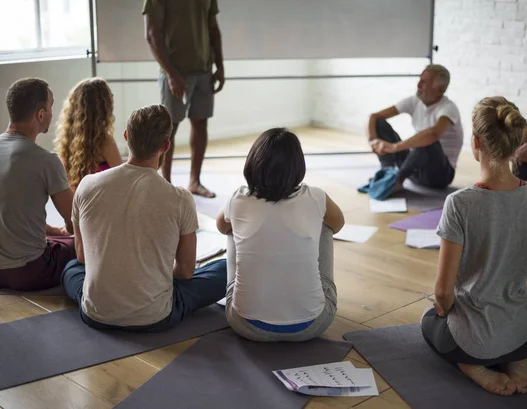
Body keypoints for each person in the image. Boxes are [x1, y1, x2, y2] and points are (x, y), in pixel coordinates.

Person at [421, 97, 527, 396]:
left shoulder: (459, 203)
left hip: (473, 344)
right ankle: (516, 360)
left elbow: (442, 293)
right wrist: (526, 300)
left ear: (476, 143)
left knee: (429, 321)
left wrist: (445, 311)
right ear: (516, 143)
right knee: (506, 333)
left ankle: (473, 367)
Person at [61, 105, 227, 331]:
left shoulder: (88, 185)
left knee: (71, 268)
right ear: (166, 145)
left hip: (95, 313)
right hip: (155, 316)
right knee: (226, 269)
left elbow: (82, 257)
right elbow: (186, 272)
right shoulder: (180, 198)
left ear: (127, 136)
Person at [217, 128, 345, 342]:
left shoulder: (237, 199)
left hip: (244, 324)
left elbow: (221, 227)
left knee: (231, 227)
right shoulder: (316, 197)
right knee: (325, 225)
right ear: (297, 167)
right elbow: (338, 224)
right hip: (312, 325)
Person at [143, 0, 224, 198]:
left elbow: (213, 28)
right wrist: (171, 75)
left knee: (200, 123)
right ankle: (165, 184)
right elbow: (152, 34)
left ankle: (194, 182)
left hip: (203, 70)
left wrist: (220, 65)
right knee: (168, 128)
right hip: (175, 72)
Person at [0, 78, 76, 291]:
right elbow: (74, 220)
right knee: (84, 246)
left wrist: (52, 230)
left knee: (58, 239)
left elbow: (9, 213)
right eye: (51, 106)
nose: (52, 112)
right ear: (40, 114)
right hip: (29, 271)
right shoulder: (46, 160)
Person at [368, 64, 463, 190]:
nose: (418, 85)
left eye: (425, 82)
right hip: (414, 168)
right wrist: (373, 140)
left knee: (428, 141)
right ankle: (387, 172)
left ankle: (397, 181)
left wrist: (395, 147)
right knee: (380, 123)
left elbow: (433, 134)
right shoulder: (414, 101)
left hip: (438, 176)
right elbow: (374, 117)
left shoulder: (449, 108)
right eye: (420, 80)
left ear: (441, 89)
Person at [54, 78, 122, 189]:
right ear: (103, 107)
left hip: (80, 203)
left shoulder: (67, 141)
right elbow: (124, 179)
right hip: (103, 202)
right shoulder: (104, 141)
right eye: (111, 96)